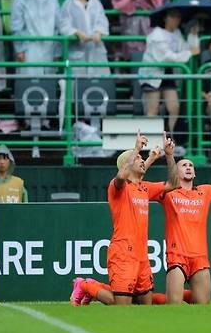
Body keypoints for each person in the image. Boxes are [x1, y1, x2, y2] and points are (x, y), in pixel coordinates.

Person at [70, 131, 177, 306]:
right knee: (121, 305)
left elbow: (173, 184)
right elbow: (122, 176)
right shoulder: (118, 187)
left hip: (141, 254)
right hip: (123, 252)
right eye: (138, 159)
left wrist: (169, 156)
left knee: (145, 303)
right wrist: (136, 148)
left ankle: (95, 286)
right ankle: (86, 285)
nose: (142, 160)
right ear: (126, 165)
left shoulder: (145, 188)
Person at [161, 141, 211, 304]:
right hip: (177, 255)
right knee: (173, 307)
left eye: (191, 165)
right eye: (183, 165)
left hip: (200, 257)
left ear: (195, 173)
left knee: (203, 307)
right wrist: (169, 155)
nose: (188, 167)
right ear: (176, 171)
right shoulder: (168, 193)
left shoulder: (205, 191)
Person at [139, 9, 200, 154]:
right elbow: (166, 57)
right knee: (152, 109)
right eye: (172, 16)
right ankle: (152, 146)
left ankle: (171, 144)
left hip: (167, 73)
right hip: (152, 73)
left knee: (174, 107)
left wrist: (193, 35)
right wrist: (189, 53)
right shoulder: (156, 34)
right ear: (165, 18)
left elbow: (187, 48)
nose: (176, 19)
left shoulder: (177, 33)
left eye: (178, 16)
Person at [10, 0, 61, 76]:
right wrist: (19, 49)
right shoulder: (20, 1)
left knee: (48, 81)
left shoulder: (52, 0)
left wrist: (57, 50)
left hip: (49, 46)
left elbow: (58, 26)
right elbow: (16, 27)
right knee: (29, 79)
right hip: (29, 47)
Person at [59, 0, 110, 78]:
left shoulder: (96, 3)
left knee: (98, 84)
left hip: (96, 49)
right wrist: (77, 33)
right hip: (77, 50)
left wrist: (99, 31)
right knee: (77, 85)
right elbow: (64, 25)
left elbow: (102, 20)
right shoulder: (67, 5)